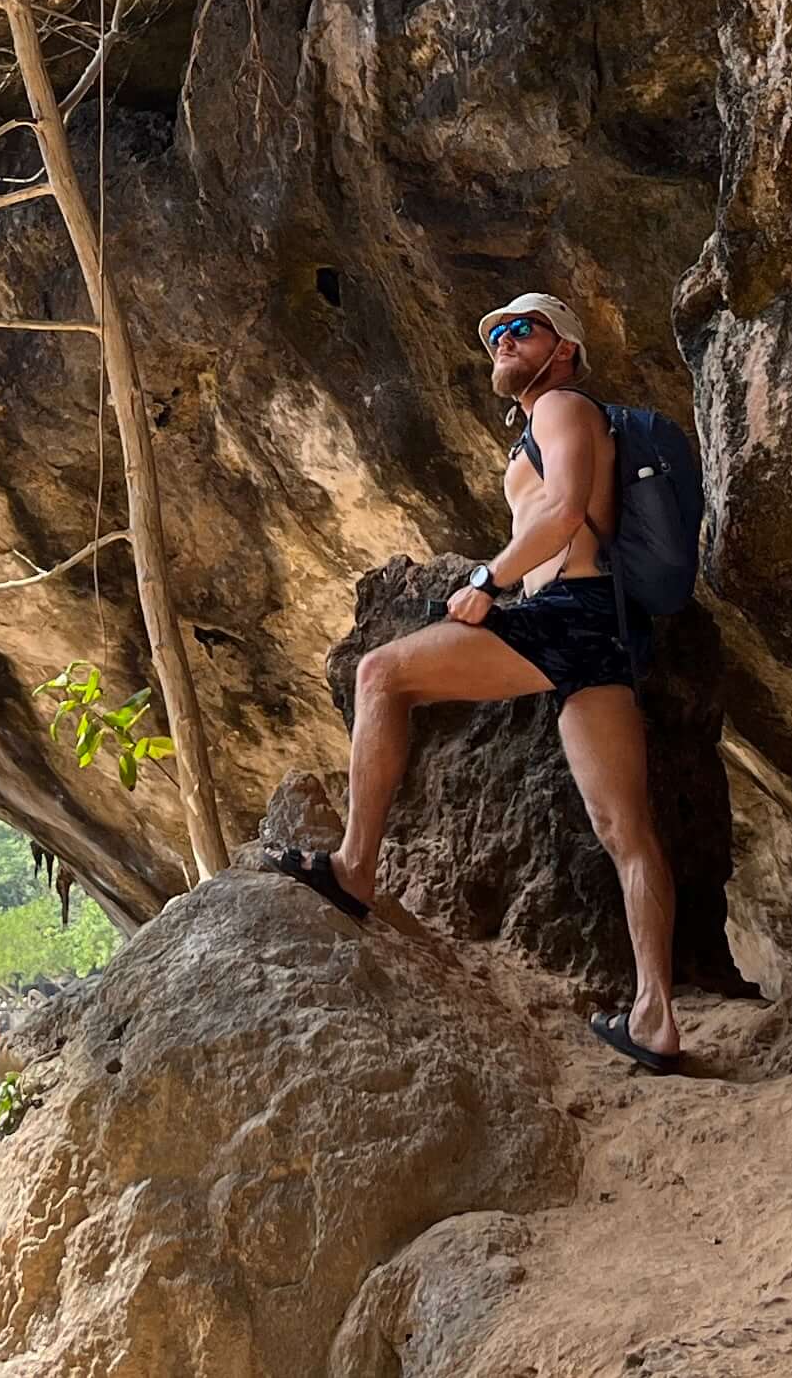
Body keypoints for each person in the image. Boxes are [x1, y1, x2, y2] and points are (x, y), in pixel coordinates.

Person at [264, 292, 684, 1073]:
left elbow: (560, 509)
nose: (502, 339)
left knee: (382, 673)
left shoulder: (561, 405)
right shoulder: (547, 418)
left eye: (521, 329)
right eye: (494, 332)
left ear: (563, 347)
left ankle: (355, 868)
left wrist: (489, 580)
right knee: (626, 830)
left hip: (568, 612)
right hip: (603, 634)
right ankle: (655, 1017)